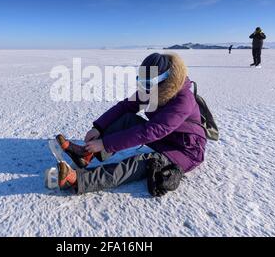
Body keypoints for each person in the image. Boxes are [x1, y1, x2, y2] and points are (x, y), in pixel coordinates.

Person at [55, 53, 207, 197]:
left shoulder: (183, 100)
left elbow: (152, 131)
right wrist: (98, 128)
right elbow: (125, 106)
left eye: (148, 83)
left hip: (185, 151)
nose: (144, 88)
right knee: (128, 118)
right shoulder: (153, 90)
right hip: (166, 138)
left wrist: (105, 143)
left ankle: (79, 180)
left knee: (146, 161)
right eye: (141, 82)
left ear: (165, 80)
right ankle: (87, 154)